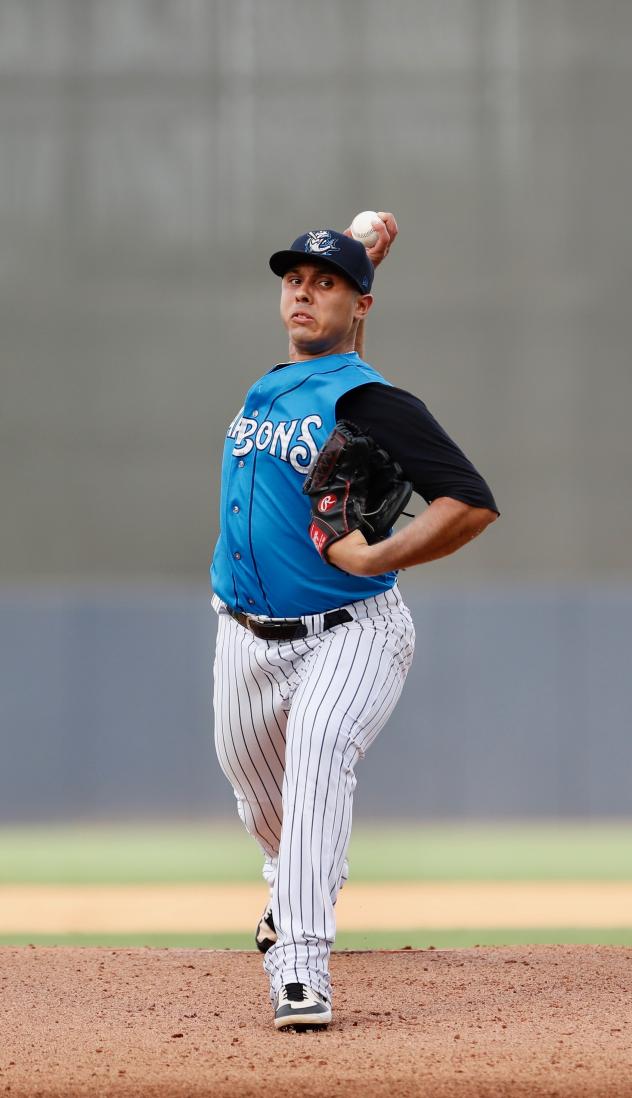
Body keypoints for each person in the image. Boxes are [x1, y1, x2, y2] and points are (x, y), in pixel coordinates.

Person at [210, 215, 498, 1030]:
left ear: (362, 304)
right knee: (263, 806)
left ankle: (299, 968)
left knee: (318, 763)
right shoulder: (277, 382)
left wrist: (379, 557)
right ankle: (290, 885)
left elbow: (470, 502)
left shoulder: (373, 400)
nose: (302, 291)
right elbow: (331, 308)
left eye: (323, 282)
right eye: (294, 279)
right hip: (242, 634)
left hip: (351, 629)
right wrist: (351, 254)